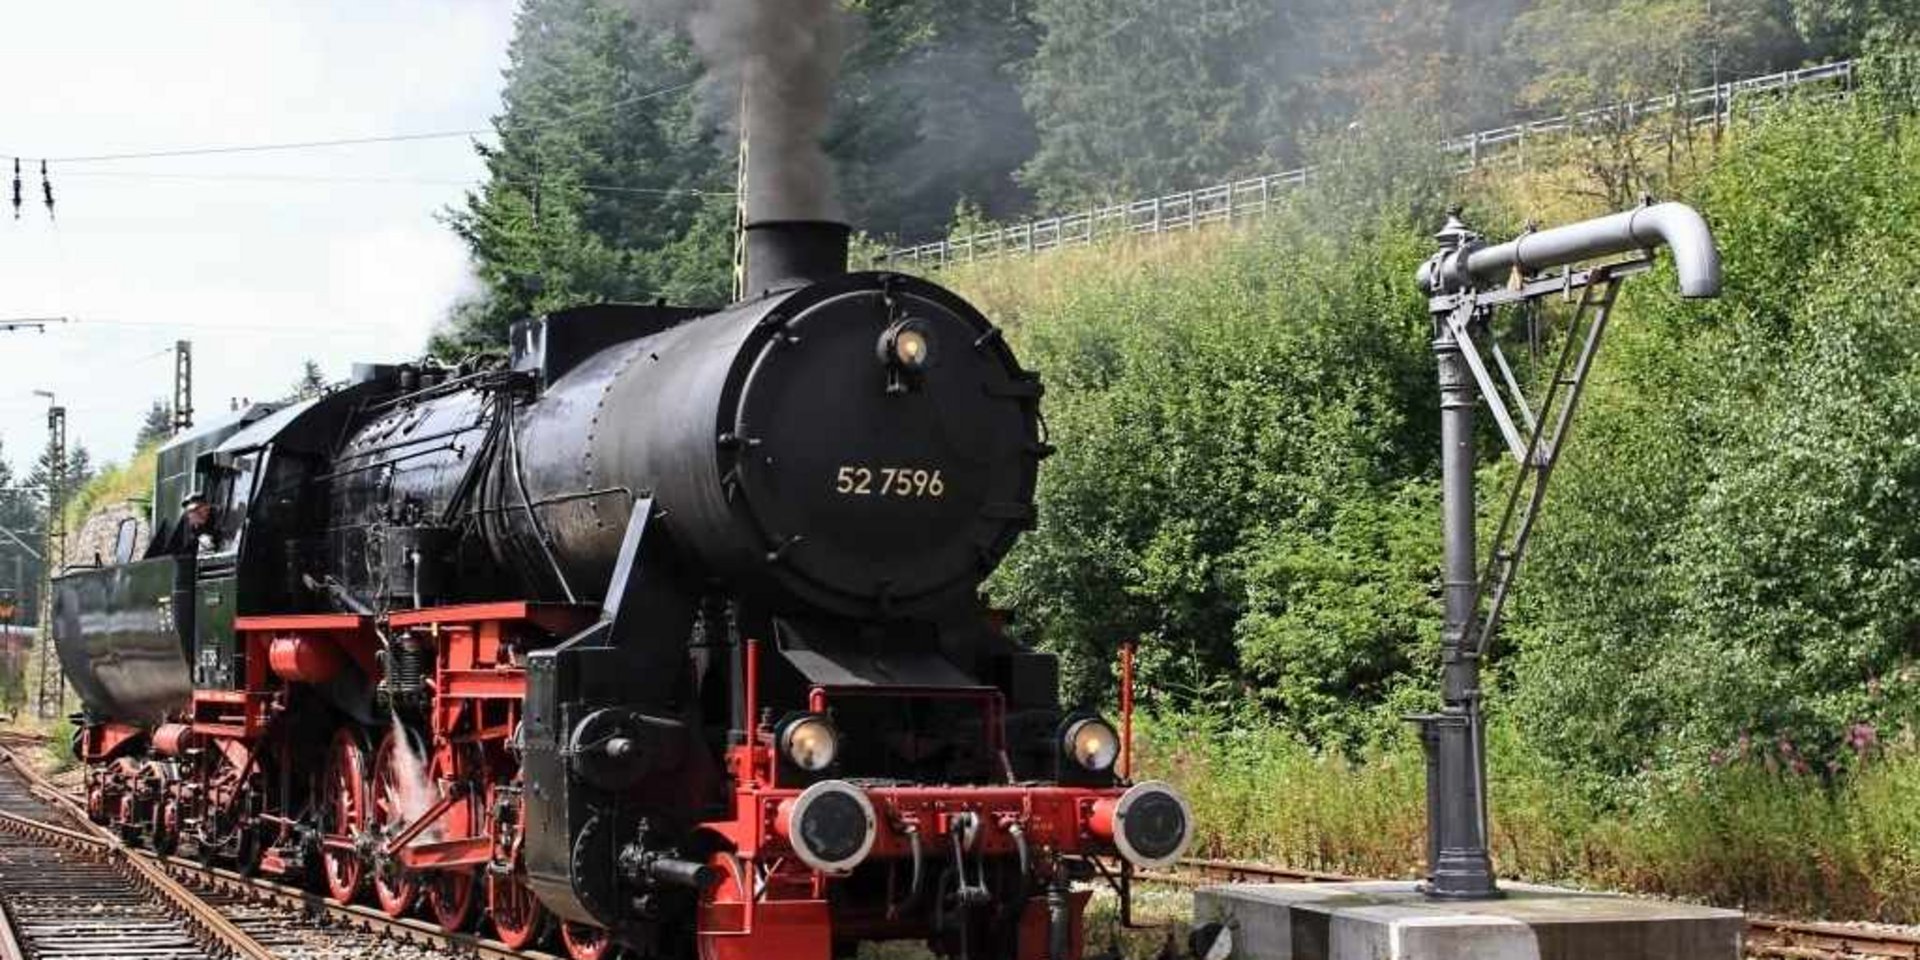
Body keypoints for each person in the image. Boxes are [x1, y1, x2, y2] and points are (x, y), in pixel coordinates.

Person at [149, 492, 214, 559]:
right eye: (192, 512)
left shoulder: (214, 522)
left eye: (204, 510)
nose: (197, 514)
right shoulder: (185, 528)